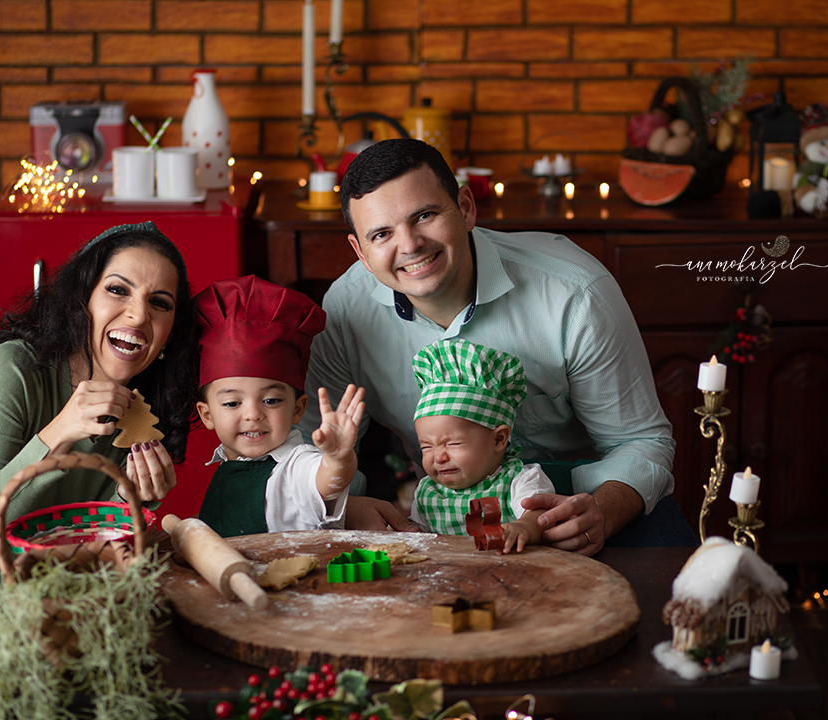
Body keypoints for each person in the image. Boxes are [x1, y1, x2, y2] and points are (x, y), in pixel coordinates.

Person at [302, 138, 690, 557]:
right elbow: (315, 447)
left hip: (580, 503)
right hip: (447, 513)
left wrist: (603, 511)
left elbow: (641, 440)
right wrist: (347, 503)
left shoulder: (573, 292)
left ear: (466, 208)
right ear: (360, 251)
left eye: (426, 215)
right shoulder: (344, 311)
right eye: (381, 234)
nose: (410, 245)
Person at [0, 221, 200, 717]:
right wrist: (58, 431)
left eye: (160, 302)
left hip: (43, 623)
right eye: (118, 290)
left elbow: (78, 546)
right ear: (82, 300)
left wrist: (135, 501)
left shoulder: (137, 408)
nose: (138, 314)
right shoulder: (10, 372)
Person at [193, 275, 365, 538]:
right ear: (207, 415)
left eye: (271, 400)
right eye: (232, 403)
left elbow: (325, 482)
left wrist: (338, 458)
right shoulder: (227, 466)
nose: (252, 414)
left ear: (298, 409)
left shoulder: (296, 467)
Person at [408, 339, 554, 554]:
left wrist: (522, 527)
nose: (438, 457)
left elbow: (538, 517)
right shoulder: (428, 492)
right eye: (426, 447)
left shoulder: (520, 480)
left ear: (498, 439)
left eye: (453, 443)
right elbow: (419, 536)